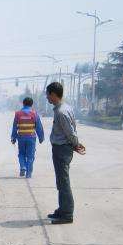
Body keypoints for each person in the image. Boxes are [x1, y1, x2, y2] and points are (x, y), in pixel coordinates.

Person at [45, 82, 85, 224]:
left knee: (64, 182)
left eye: (47, 94)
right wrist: (73, 144)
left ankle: (67, 214)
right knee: (61, 182)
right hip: (61, 148)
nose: (46, 97)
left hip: (62, 149)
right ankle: (62, 209)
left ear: (54, 94)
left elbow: (70, 131)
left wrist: (76, 144)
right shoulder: (64, 108)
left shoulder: (61, 112)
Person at [10, 97, 45, 177]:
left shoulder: (18, 114)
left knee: (21, 154)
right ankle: (28, 174)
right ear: (32, 104)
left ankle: (23, 166)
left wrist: (13, 138)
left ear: (23, 103)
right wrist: (41, 137)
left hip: (21, 137)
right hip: (31, 138)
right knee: (30, 155)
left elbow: (15, 127)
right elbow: (39, 127)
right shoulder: (34, 114)